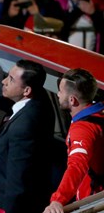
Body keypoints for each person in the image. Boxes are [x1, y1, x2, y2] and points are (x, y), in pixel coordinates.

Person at [0, 59, 55, 213]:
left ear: (26, 90)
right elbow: (9, 103)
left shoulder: (23, 128)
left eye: (11, 79)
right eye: (7, 76)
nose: (4, 81)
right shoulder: (37, 98)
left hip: (4, 200)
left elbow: (16, 183)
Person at [43, 69, 104, 213]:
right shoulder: (100, 112)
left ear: (72, 100)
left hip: (94, 198)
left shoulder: (82, 129)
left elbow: (77, 165)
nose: (57, 94)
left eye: (60, 91)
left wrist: (58, 200)